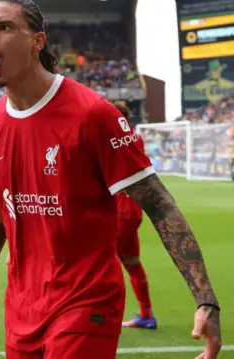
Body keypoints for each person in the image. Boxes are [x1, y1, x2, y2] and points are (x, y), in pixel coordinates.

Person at [0, 1, 222, 359]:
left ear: (38, 41)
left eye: (5, 27)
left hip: (86, 302)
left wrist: (205, 299)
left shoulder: (93, 114)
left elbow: (158, 203)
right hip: (22, 307)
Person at [112, 102, 157, 330]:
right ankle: (146, 314)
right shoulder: (133, 138)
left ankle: (104, 315)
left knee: (103, 264)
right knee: (132, 264)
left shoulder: (114, 140)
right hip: (132, 210)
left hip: (119, 210)